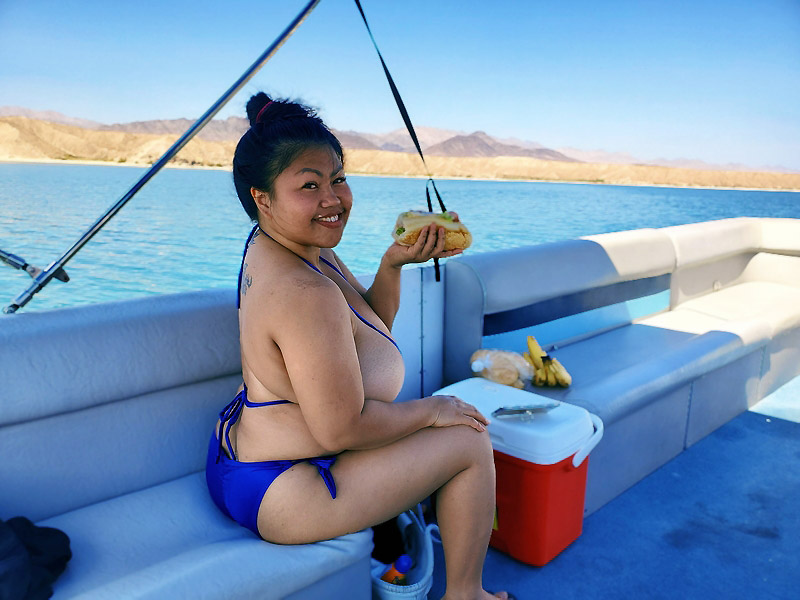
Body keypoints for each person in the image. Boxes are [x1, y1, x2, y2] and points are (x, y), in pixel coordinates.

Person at [205, 92, 511, 600]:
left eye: (338, 179)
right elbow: (342, 428)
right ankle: (466, 595)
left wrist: (392, 264)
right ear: (263, 198)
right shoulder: (304, 291)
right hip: (279, 488)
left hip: (239, 456)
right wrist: (433, 410)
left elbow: (367, 331)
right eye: (309, 185)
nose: (333, 199)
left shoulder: (293, 246)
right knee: (469, 439)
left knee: (445, 427)